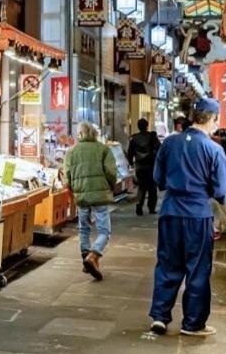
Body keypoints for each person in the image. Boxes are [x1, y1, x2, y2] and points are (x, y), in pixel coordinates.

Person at [149, 98, 226, 338]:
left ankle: (160, 317)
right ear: (213, 119)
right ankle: (192, 323)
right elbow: (221, 191)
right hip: (197, 214)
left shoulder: (169, 143)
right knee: (197, 269)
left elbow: (158, 178)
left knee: (167, 264)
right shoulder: (214, 149)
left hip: (170, 210)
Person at [64, 120, 117, 281]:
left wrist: (72, 191)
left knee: (84, 229)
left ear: (80, 134)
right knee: (104, 231)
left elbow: (67, 177)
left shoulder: (71, 152)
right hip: (100, 195)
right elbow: (111, 173)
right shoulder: (103, 150)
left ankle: (86, 258)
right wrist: (110, 186)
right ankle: (93, 256)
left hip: (81, 195)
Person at [127, 118, 160, 216]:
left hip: (140, 166)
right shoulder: (152, 136)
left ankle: (139, 205)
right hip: (151, 165)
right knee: (152, 188)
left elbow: (130, 153)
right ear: (146, 126)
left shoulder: (134, 138)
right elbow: (159, 148)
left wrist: (131, 163)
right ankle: (151, 207)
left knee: (141, 187)